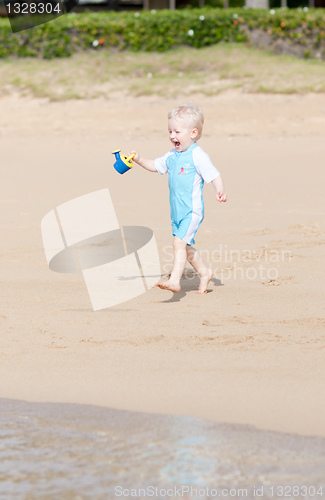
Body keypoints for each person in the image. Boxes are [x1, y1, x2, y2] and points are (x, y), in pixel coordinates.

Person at [130, 103, 227, 294]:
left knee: (178, 243)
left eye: (177, 131)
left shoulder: (197, 155)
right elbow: (154, 165)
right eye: (170, 131)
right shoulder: (172, 156)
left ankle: (175, 280)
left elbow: (213, 174)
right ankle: (205, 272)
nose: (172, 136)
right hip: (177, 211)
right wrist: (139, 160)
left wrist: (219, 190)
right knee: (187, 249)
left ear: (193, 133)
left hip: (192, 212)